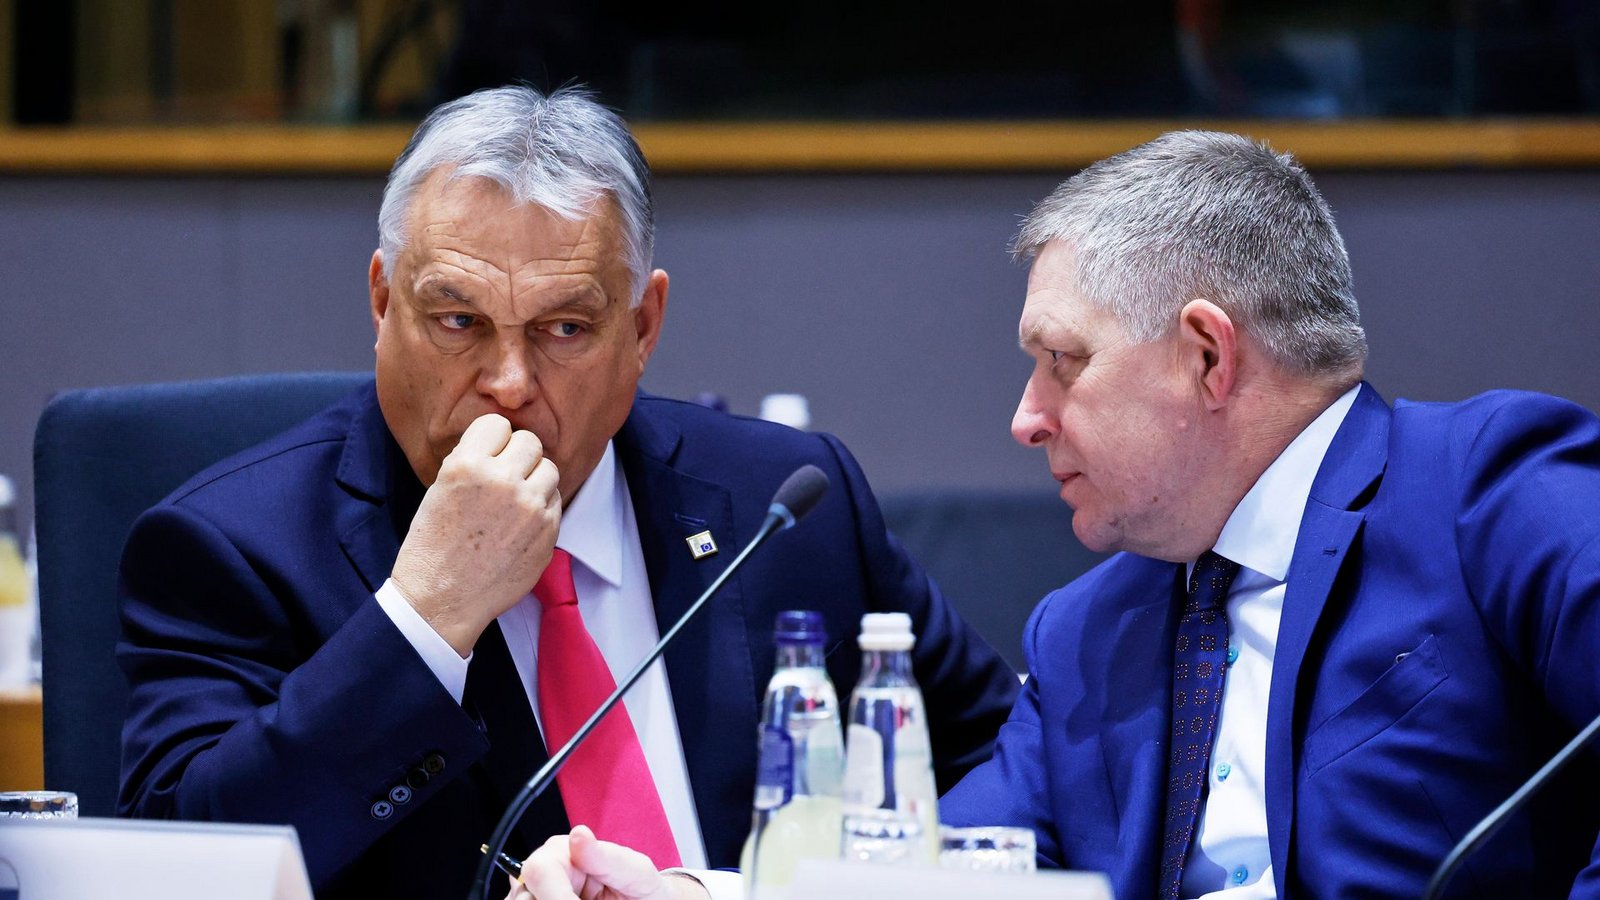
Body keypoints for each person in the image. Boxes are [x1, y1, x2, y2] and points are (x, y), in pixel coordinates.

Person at [512, 130, 1600, 900]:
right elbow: (936, 876)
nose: (1025, 418)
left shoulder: (1480, 491)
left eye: (1061, 364)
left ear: (1206, 356)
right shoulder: (1087, 635)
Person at [115, 84, 1018, 899]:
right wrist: (426, 618)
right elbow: (184, 867)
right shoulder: (234, 546)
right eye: (458, 320)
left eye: (564, 328)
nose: (507, 380)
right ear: (384, 302)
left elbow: (1012, 765)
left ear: (644, 326)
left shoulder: (780, 505)